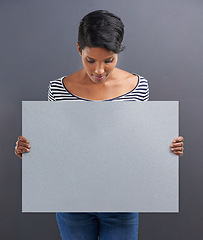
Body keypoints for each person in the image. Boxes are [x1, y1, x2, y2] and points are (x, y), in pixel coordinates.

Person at [14, 9, 184, 240]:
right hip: (72, 203)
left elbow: (137, 143)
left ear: (118, 50)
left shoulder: (139, 86)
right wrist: (30, 152)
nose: (99, 71)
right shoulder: (58, 89)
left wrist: (167, 149)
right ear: (79, 49)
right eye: (90, 60)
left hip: (122, 202)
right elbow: (57, 145)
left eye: (109, 60)